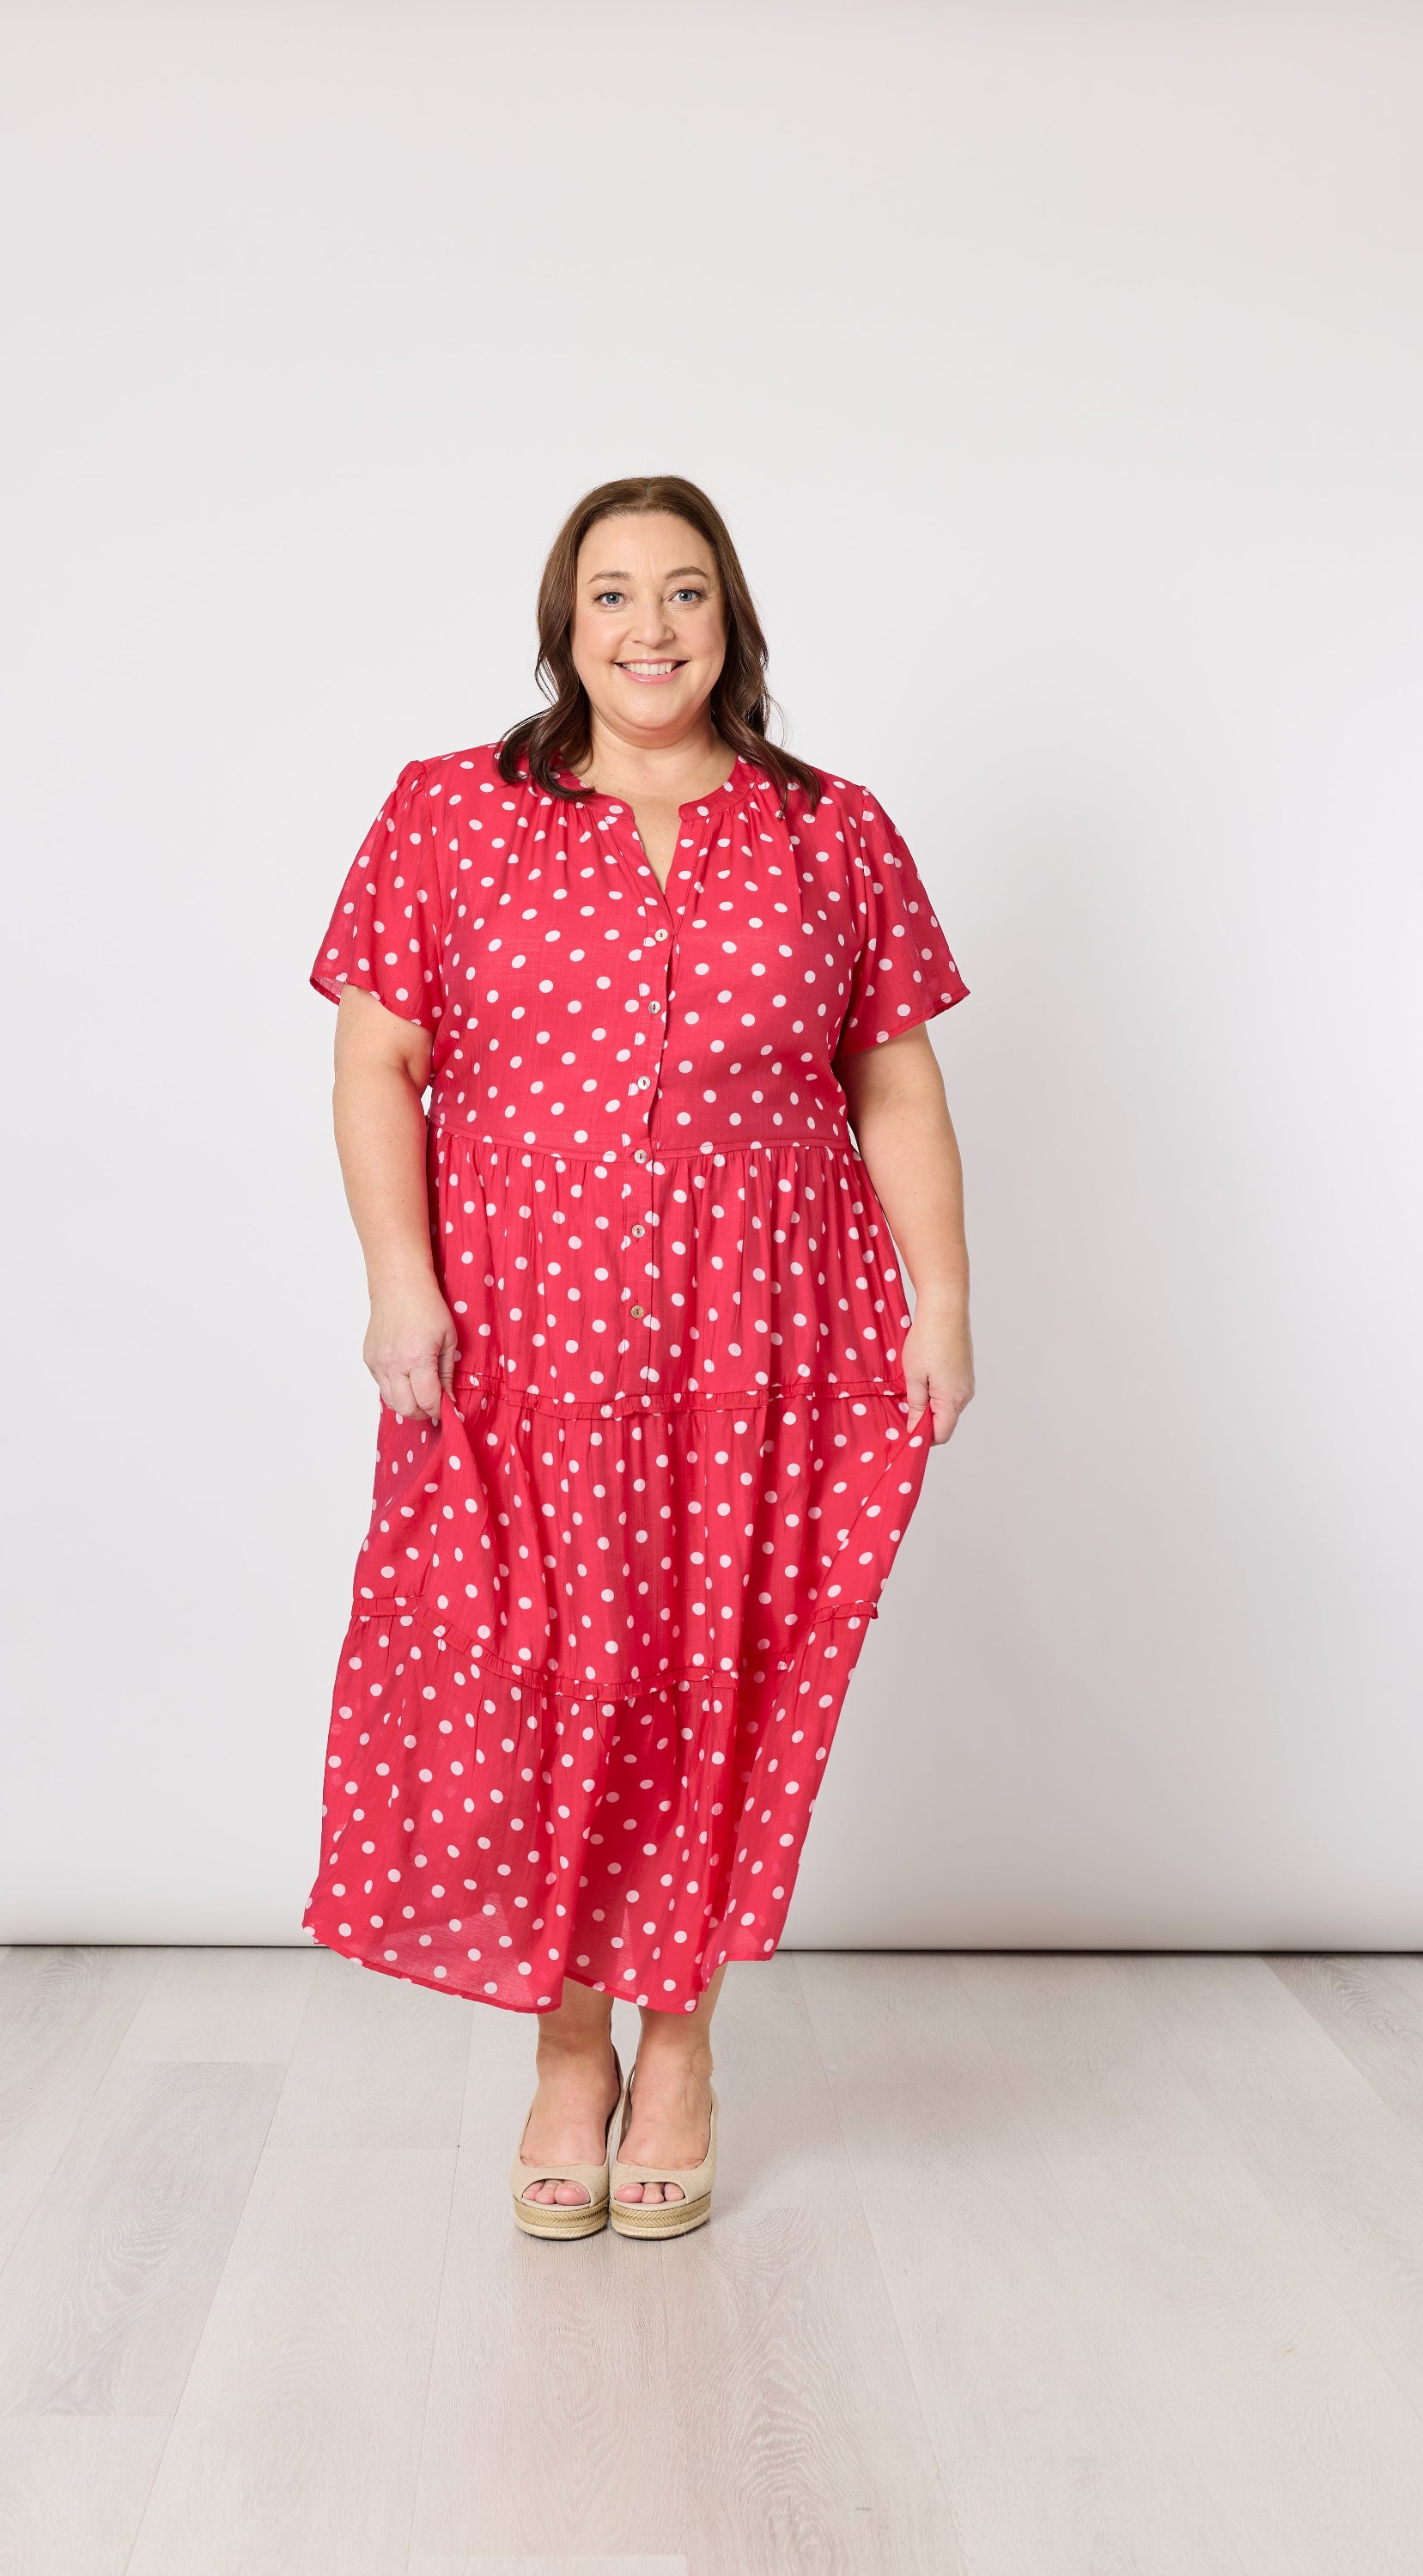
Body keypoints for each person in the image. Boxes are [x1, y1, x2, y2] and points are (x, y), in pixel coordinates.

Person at [302, 474, 974, 2241]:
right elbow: (378, 1065)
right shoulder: (449, 814)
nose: (650, 628)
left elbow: (890, 1080)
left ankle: (680, 2044)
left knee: (724, 1671)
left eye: (683, 593)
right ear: (563, 621)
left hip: (773, 1333)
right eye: (613, 596)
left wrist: (942, 1302)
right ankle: (566, 2044)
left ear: (729, 620)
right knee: (544, 1673)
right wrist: (399, 1283)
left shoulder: (832, 831)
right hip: (523, 1328)